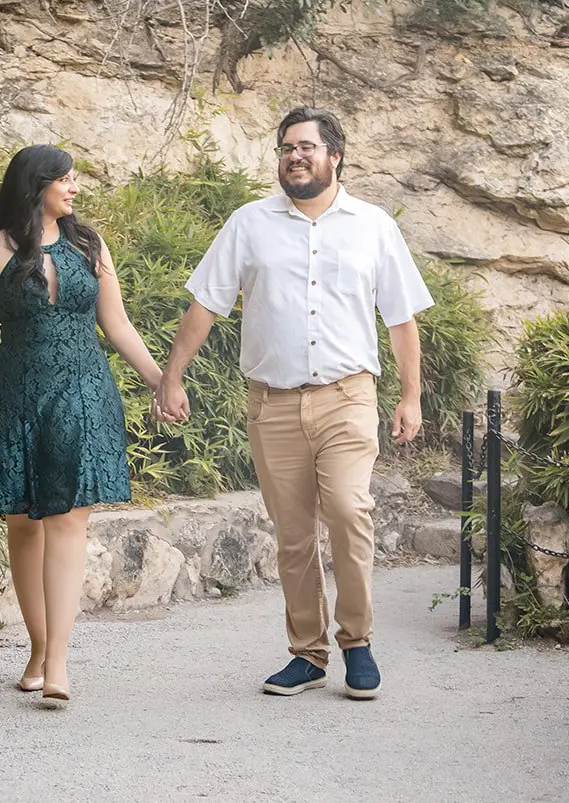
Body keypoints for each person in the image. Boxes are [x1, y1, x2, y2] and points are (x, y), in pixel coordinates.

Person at [152, 106, 432, 700]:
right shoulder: (249, 224)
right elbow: (206, 304)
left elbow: (402, 318)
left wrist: (411, 396)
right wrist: (172, 377)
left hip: (347, 397)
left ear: (335, 156)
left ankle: (357, 641)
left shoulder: (374, 225)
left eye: (306, 146)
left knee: (350, 511)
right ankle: (307, 653)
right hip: (272, 405)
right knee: (294, 536)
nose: (294, 156)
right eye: (285, 148)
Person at [0, 144, 162, 705]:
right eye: (66, 179)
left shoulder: (90, 244)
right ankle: (37, 648)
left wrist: (162, 380)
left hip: (83, 392)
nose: (76, 188)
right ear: (36, 184)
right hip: (13, 391)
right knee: (22, 523)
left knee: (67, 522)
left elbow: (117, 323)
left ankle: (57, 661)